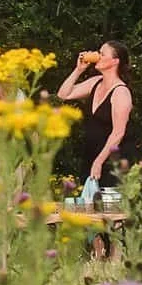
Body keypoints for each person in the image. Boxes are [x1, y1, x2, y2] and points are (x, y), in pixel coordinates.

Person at [56, 41, 133, 203]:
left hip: (111, 162)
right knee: (88, 211)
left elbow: (118, 132)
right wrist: (79, 70)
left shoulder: (121, 92)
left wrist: (99, 161)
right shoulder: (96, 82)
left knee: (108, 215)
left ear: (115, 61)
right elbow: (63, 94)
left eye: (102, 54)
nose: (97, 56)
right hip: (90, 156)